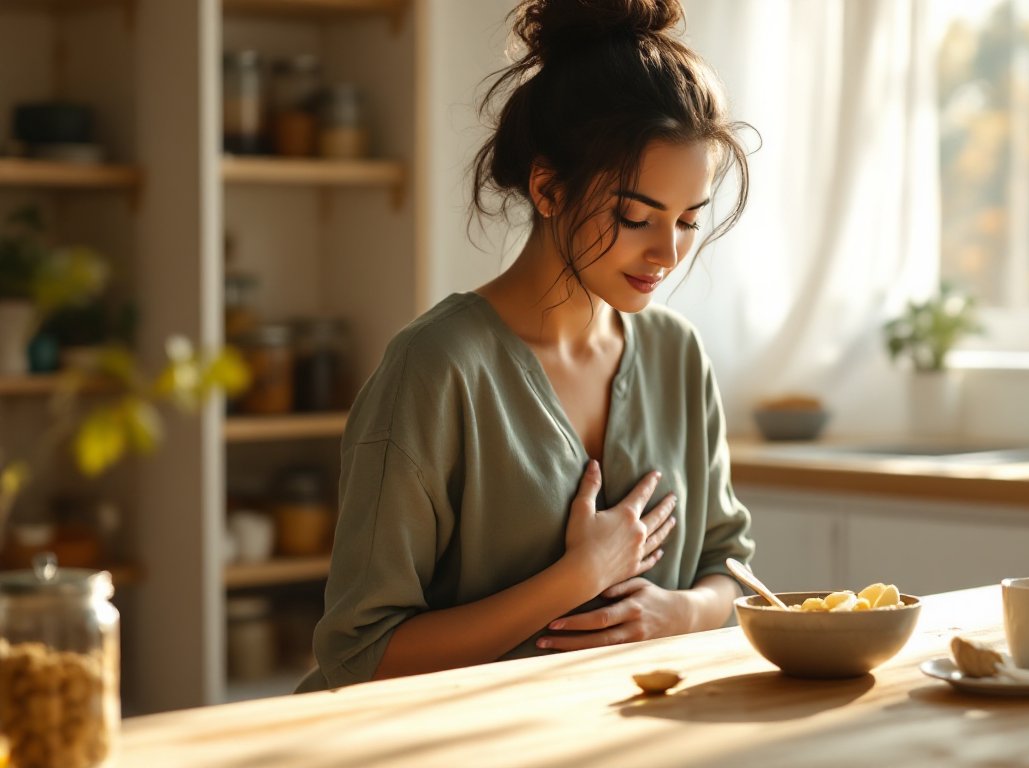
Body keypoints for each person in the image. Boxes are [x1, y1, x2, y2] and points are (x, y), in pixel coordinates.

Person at [296, 0, 755, 692]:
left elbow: (731, 567)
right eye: (636, 216)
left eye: (689, 220)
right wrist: (578, 578)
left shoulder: (678, 356)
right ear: (547, 187)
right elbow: (362, 655)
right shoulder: (436, 369)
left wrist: (676, 613)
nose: (667, 253)